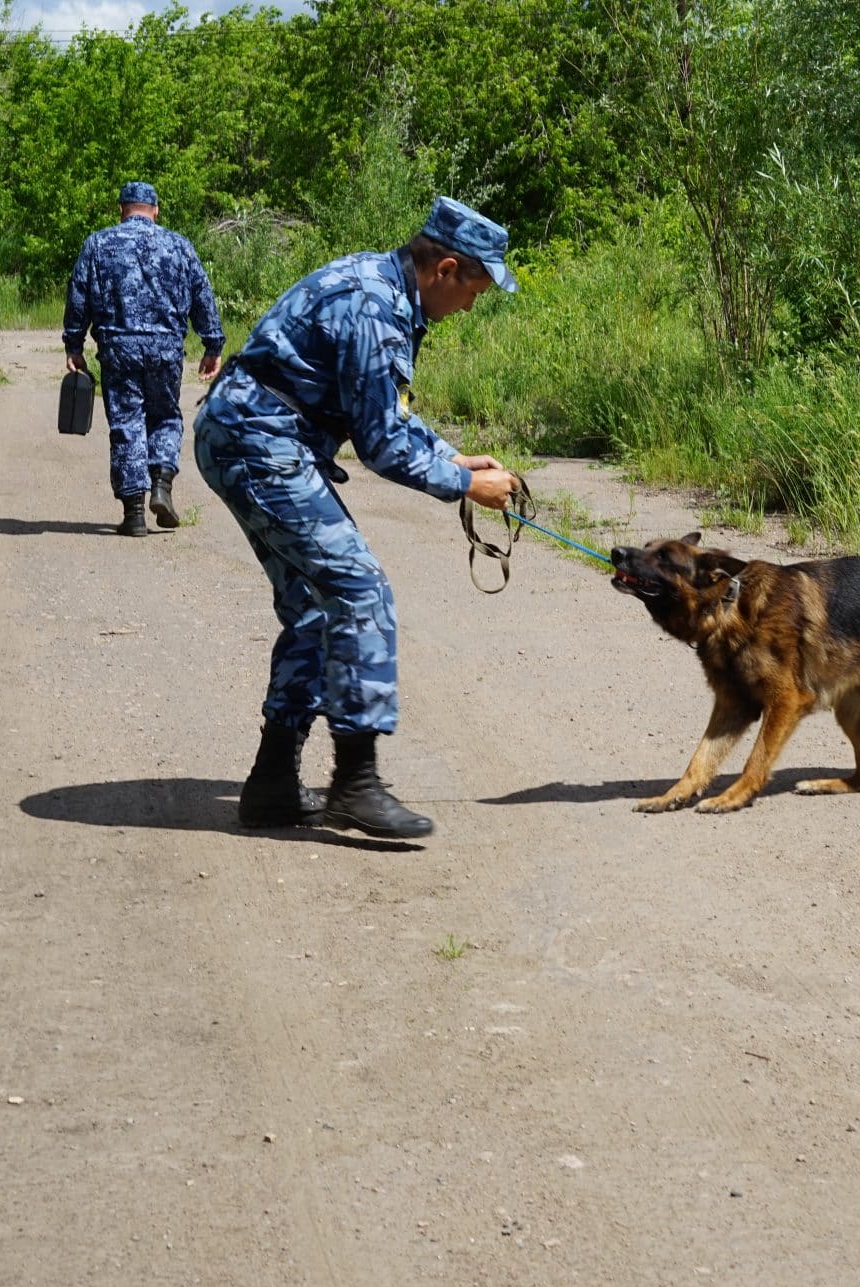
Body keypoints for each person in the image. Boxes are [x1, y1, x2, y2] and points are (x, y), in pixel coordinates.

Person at [193, 196, 521, 840]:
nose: (472, 306)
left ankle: (271, 785)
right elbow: (381, 446)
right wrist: (465, 484)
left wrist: (451, 454)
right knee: (359, 590)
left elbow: (385, 412)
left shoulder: (384, 290)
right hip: (258, 443)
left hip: (255, 437)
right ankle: (356, 784)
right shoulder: (373, 306)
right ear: (445, 268)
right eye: (475, 290)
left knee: (317, 606)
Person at [63, 180, 224, 536]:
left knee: (126, 424)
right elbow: (202, 295)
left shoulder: (98, 244)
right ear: (155, 210)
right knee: (165, 416)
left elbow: (78, 298)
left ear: (121, 209)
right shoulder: (179, 246)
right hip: (165, 349)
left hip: (118, 349)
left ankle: (134, 513)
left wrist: (74, 344)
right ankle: (162, 484)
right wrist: (213, 344)